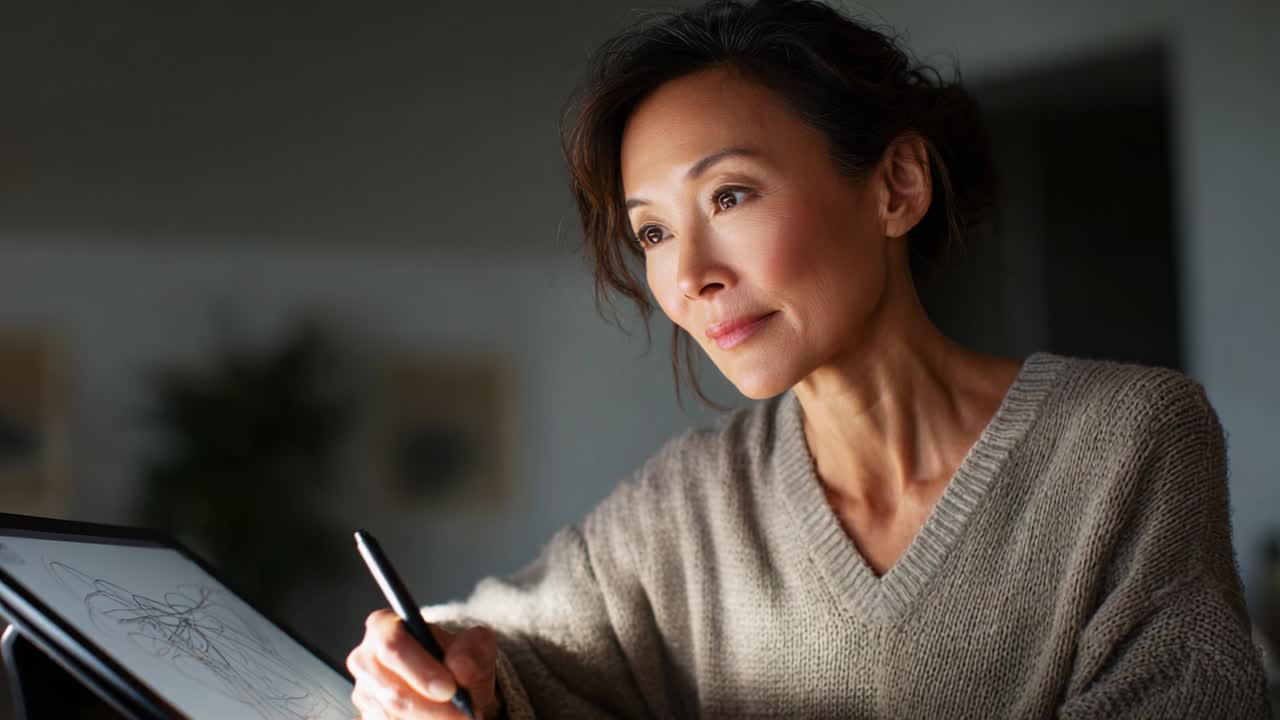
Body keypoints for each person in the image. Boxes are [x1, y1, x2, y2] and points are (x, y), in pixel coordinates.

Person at [345, 0, 1272, 717]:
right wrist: (431, 662)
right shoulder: (686, 506)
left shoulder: (1128, 440)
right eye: (654, 233)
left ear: (897, 186)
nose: (691, 276)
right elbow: (507, 641)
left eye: (731, 196)